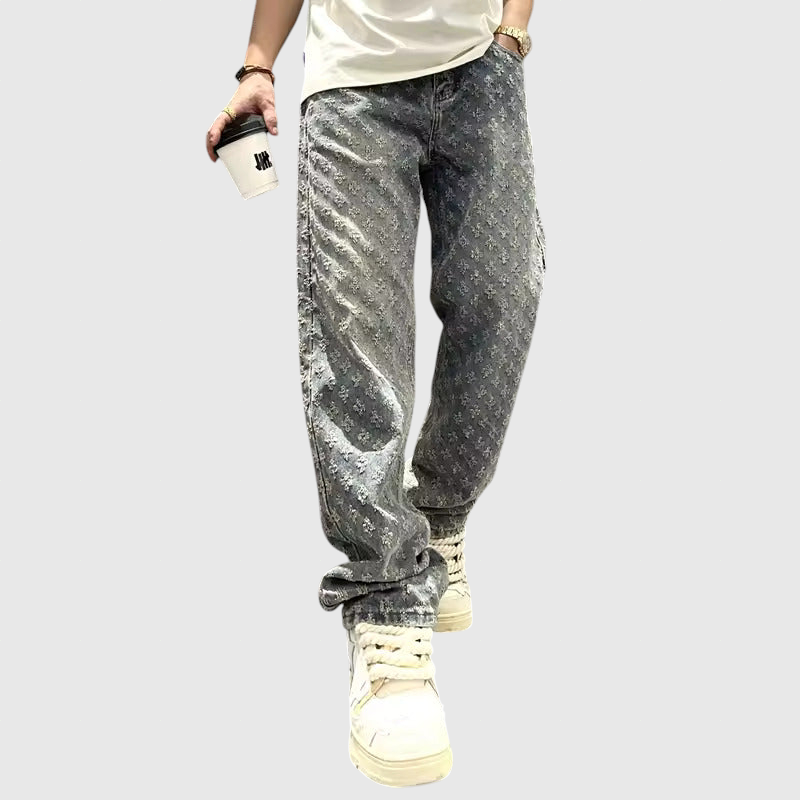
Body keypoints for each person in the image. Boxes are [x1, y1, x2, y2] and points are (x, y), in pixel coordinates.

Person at [206, 0, 546, 787]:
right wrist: (258, 65)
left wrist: (512, 33)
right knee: (357, 341)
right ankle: (388, 603)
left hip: (479, 71)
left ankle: (442, 517)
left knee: (503, 299)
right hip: (352, 91)